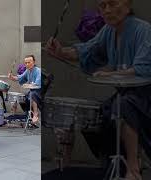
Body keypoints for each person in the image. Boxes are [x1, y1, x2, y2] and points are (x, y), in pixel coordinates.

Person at [45, 0, 151, 179]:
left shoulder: (144, 31)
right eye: (103, 6)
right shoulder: (109, 31)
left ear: (127, 4)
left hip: (145, 98)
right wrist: (61, 52)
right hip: (126, 95)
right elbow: (87, 51)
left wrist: (111, 75)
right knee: (101, 113)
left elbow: (143, 69)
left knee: (123, 105)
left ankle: (134, 166)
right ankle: (111, 161)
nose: (107, 10)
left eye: (113, 4)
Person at [8, 55, 41, 124]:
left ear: (34, 62)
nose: (27, 64)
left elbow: (37, 85)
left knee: (32, 94)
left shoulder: (38, 71)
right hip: (31, 91)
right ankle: (28, 114)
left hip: (39, 92)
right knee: (22, 98)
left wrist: (28, 85)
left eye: (29, 62)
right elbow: (20, 78)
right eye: (26, 63)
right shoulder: (27, 71)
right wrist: (12, 77)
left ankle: (35, 113)